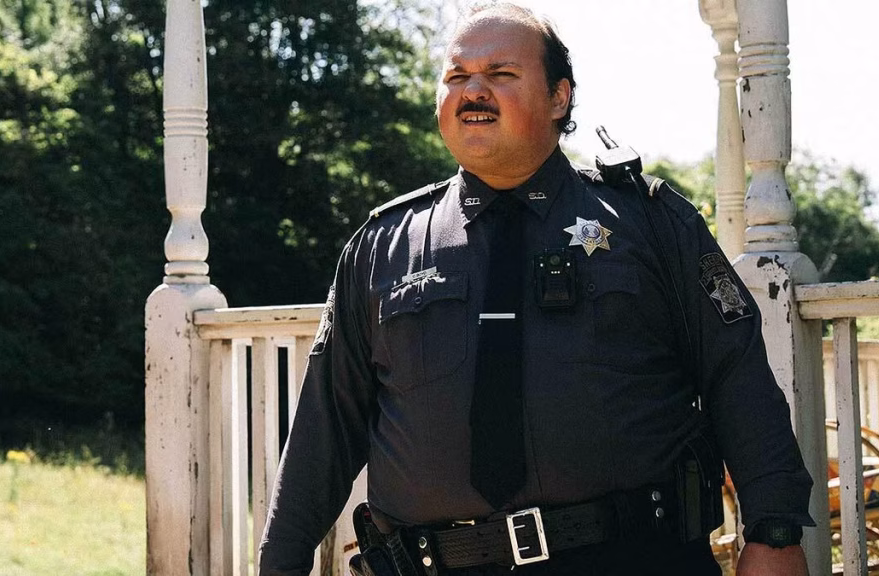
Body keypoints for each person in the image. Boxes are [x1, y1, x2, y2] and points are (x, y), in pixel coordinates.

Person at [259, 3, 814, 575]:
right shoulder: (382, 246)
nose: (473, 90)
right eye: (456, 77)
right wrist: (280, 563)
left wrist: (774, 531)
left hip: (631, 558)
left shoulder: (652, 223)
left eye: (500, 74)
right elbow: (325, 426)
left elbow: (738, 377)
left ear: (558, 97)